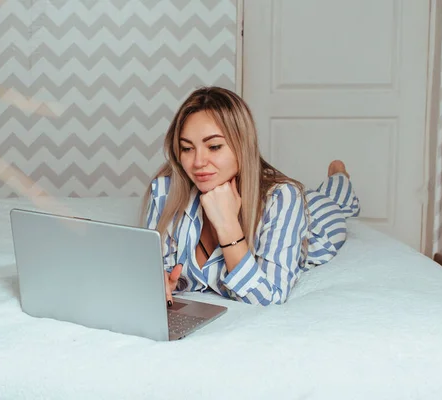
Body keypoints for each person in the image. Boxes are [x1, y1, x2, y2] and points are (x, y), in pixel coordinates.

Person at [141, 86, 360, 306]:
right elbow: (162, 269)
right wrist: (160, 281)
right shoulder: (165, 191)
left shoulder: (283, 197)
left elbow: (269, 297)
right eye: (187, 148)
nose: (198, 162)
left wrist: (227, 226)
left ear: (242, 146)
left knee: (336, 202)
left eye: (214, 146)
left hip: (315, 221)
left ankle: (338, 175)